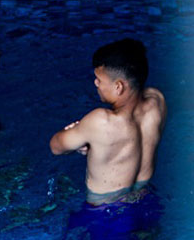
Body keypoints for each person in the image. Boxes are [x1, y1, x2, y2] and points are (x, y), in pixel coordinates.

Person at [49, 38, 167, 206]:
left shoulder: (101, 122)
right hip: (146, 199)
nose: (96, 83)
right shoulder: (157, 101)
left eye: (99, 80)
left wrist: (78, 132)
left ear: (119, 87)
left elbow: (56, 147)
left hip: (107, 211)